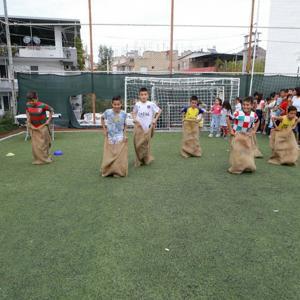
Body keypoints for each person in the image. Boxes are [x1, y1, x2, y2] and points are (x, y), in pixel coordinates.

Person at [227, 97, 260, 174]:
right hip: (236, 135)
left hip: (246, 136)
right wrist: (231, 130)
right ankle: (237, 166)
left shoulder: (254, 115)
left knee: (247, 151)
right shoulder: (237, 113)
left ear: (252, 106)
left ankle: (246, 165)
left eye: (248, 105)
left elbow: (258, 121)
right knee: (237, 151)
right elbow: (228, 118)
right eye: (244, 105)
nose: (245, 106)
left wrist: (254, 130)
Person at [132, 87, 162, 166]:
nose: (143, 96)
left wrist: (155, 119)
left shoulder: (151, 104)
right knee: (138, 144)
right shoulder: (137, 104)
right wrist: (135, 119)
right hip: (139, 129)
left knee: (146, 144)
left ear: (148, 95)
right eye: (141, 95)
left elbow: (159, 111)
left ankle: (145, 158)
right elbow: (133, 112)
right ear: (139, 96)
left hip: (147, 128)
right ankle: (138, 159)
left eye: (145, 94)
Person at [100, 96, 128, 177]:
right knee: (111, 153)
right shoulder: (108, 112)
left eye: (118, 104)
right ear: (112, 104)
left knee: (118, 154)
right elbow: (102, 118)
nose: (116, 106)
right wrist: (104, 130)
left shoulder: (123, 114)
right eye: (115, 104)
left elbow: (125, 124)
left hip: (119, 136)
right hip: (110, 136)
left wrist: (124, 135)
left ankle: (117, 171)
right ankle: (108, 170)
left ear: (121, 104)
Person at [26, 90, 53, 165]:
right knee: (35, 145)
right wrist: (28, 119)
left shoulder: (43, 105)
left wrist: (48, 120)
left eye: (33, 100)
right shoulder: (28, 105)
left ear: (36, 98)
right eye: (30, 101)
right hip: (33, 127)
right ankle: (38, 159)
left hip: (43, 127)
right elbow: (27, 111)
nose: (31, 102)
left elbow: (51, 110)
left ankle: (46, 157)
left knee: (45, 143)